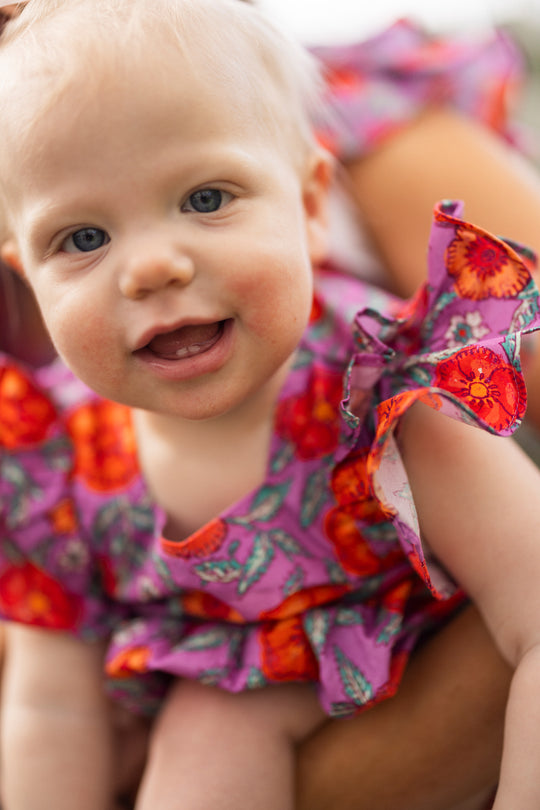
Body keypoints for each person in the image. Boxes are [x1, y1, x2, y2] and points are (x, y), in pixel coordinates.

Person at [1, 2, 540, 810]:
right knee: (207, 727)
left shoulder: (383, 398)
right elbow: (51, 705)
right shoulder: (63, 466)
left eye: (207, 198)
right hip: (230, 702)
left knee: (212, 726)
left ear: (312, 204)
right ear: (28, 282)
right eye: (81, 239)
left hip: (436, 691)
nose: (151, 268)